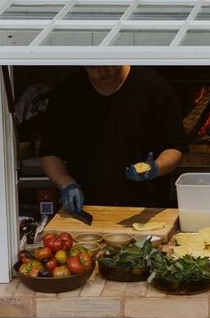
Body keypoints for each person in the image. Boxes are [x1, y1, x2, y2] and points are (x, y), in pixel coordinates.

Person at [39, 65, 185, 214]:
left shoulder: (154, 87)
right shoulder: (67, 92)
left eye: (108, 63)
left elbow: (175, 147)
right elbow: (49, 151)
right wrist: (66, 183)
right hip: (87, 207)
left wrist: (156, 167)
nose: (102, 72)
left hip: (146, 208)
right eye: (93, 67)